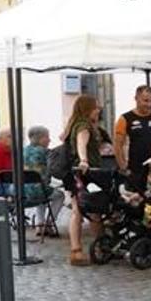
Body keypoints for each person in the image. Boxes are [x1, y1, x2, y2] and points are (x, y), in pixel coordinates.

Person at [63, 94, 105, 266]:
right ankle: (100, 247)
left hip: (73, 174)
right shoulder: (83, 125)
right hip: (85, 174)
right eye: (96, 107)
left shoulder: (73, 123)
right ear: (88, 109)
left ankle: (76, 250)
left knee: (77, 211)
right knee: (94, 210)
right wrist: (84, 160)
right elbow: (82, 143)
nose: (98, 110)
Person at [114, 85, 151, 189]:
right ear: (136, 99)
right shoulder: (125, 119)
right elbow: (117, 145)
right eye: (145, 101)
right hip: (135, 169)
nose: (149, 104)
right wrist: (123, 167)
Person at [23, 125, 65, 229]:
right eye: (46, 137)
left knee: (41, 191)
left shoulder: (23, 151)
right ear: (39, 138)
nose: (49, 140)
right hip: (38, 191)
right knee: (60, 195)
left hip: (21, 191)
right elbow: (54, 170)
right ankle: (49, 223)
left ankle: (40, 224)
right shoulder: (46, 152)